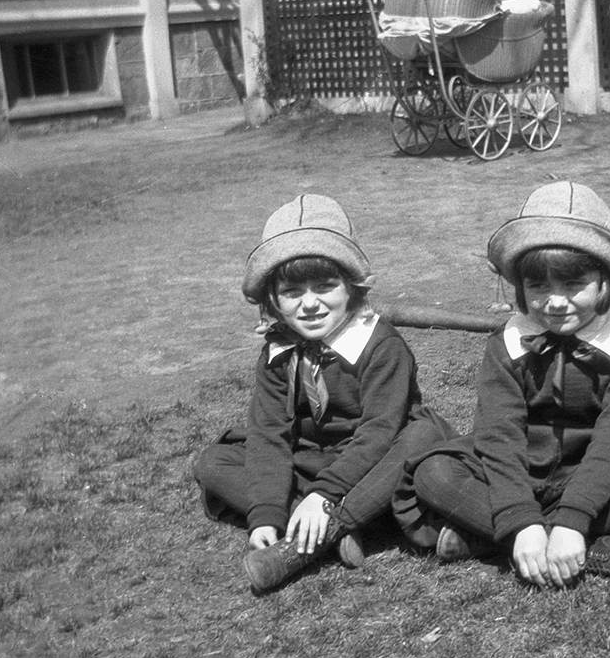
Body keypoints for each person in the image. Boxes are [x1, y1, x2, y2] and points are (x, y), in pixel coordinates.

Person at [392, 181, 610, 588]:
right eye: (539, 286)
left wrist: (573, 518)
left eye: (573, 284)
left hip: (594, 474)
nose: (555, 302)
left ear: (605, 282)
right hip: (517, 473)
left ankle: (496, 538)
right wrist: (521, 520)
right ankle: (578, 546)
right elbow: (499, 435)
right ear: (520, 287)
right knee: (434, 474)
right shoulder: (506, 343)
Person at [193, 194, 454, 593]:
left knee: (425, 434)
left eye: (325, 286)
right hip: (312, 460)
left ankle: (332, 526)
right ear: (273, 299)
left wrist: (324, 496)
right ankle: (316, 520)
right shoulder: (278, 352)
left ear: (352, 287)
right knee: (214, 462)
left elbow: (379, 432)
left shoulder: (382, 346)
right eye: (292, 292)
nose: (310, 304)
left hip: (375, 460)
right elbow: (269, 433)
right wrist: (265, 514)